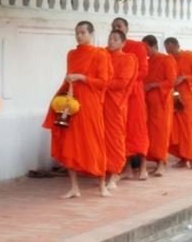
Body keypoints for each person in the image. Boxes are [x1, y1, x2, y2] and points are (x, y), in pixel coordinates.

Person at [42, 21, 112, 197]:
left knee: (95, 141)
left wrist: (82, 77)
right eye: (77, 33)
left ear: (91, 34)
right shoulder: (72, 54)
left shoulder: (100, 55)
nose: (79, 36)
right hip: (72, 102)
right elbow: (68, 77)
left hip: (90, 103)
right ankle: (74, 187)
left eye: (82, 32)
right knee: (70, 142)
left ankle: (102, 185)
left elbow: (103, 82)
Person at [111, 18, 149, 179]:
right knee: (122, 130)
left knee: (138, 129)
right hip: (118, 96)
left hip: (134, 94)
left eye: (119, 26)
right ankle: (126, 167)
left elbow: (144, 71)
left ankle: (143, 168)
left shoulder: (137, 47)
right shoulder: (110, 49)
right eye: (113, 27)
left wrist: (127, 78)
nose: (116, 29)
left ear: (127, 28)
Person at [103, 29, 136, 189]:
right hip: (99, 101)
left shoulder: (128, 59)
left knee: (115, 138)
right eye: (110, 38)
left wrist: (102, 82)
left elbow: (122, 82)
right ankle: (102, 170)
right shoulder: (102, 55)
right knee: (100, 137)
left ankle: (115, 172)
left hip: (115, 104)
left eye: (116, 39)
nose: (111, 41)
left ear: (123, 43)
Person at [142, 35, 177, 177]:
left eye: (146, 48)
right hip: (148, 103)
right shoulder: (147, 62)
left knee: (161, 133)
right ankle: (155, 161)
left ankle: (162, 163)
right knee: (150, 133)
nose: (144, 52)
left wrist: (154, 85)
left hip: (162, 102)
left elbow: (172, 81)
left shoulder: (166, 59)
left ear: (153, 46)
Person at [165, 37, 192, 169]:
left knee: (189, 128)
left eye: (170, 49)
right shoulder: (169, 59)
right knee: (176, 129)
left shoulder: (191, 56)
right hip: (173, 97)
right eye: (167, 51)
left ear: (175, 45)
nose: (169, 53)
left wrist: (185, 77)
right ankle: (182, 157)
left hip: (188, 97)